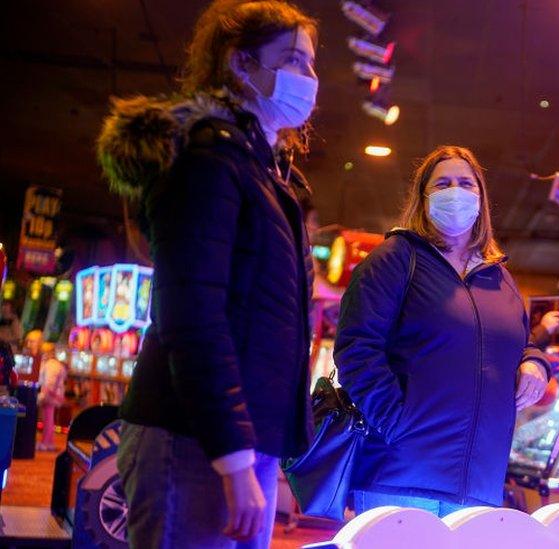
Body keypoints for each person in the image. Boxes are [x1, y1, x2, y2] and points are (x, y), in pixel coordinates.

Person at [97, 1, 320, 545]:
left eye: (312, 64)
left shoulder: (259, 169)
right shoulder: (209, 159)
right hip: (194, 438)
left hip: (233, 438)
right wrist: (234, 458)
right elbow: (192, 316)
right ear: (240, 63)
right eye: (292, 59)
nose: (309, 78)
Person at [334, 145, 551, 517]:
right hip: (401, 477)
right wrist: (396, 425)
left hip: (479, 486)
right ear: (423, 197)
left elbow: (519, 341)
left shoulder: (500, 277)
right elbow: (356, 347)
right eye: (443, 183)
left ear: (481, 198)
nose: (456, 191)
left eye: (466, 183)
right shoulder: (397, 258)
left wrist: (536, 362)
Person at [37, 342, 67, 452]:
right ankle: (48, 441)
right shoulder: (54, 364)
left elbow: (50, 383)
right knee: (48, 419)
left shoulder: (51, 364)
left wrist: (43, 395)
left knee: (48, 419)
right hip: (53, 394)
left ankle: (47, 442)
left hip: (51, 395)